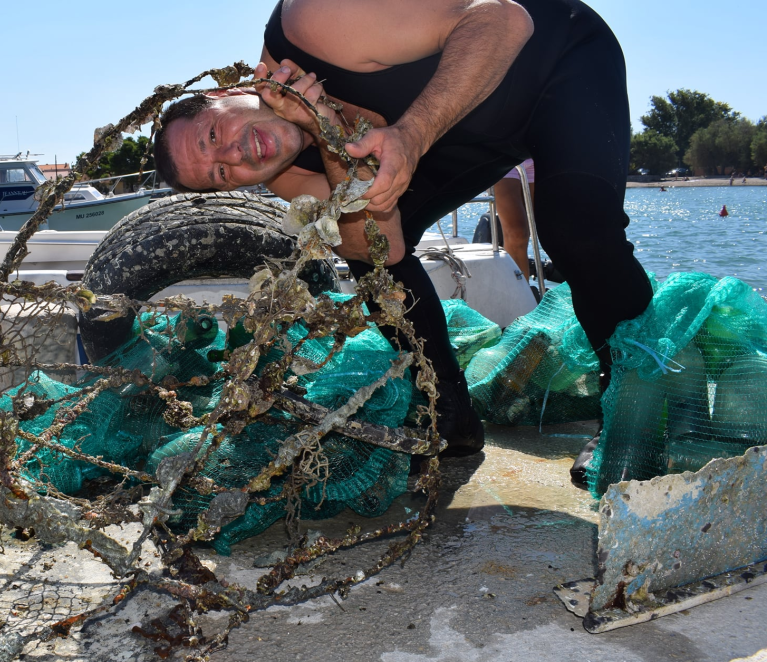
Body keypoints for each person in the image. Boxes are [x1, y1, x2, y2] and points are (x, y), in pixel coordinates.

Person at [153, 0, 654, 483]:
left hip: (556, 59)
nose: (238, 155)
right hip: (466, 133)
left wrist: (411, 136)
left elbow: (505, 20)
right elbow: (380, 249)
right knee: (367, 262)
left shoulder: (314, 21)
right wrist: (329, 132)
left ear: (228, 91)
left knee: (576, 226)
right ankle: (448, 415)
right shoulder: (286, 178)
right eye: (222, 173)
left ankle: (637, 414)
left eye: (214, 135)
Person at [492, 159, 535, 277]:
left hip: (536, 151)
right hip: (502, 153)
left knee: (531, 231)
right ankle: (519, 294)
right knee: (517, 234)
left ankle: (524, 290)